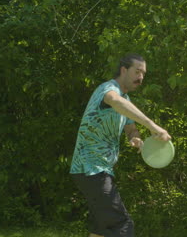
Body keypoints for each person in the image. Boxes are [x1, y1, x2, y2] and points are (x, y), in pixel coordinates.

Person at [70, 54, 171, 237]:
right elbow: (115, 101)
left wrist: (135, 137)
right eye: (137, 71)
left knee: (100, 229)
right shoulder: (108, 89)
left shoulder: (126, 100)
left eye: (143, 73)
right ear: (124, 70)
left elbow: (130, 127)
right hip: (91, 168)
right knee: (121, 225)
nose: (141, 77)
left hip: (98, 169)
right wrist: (153, 126)